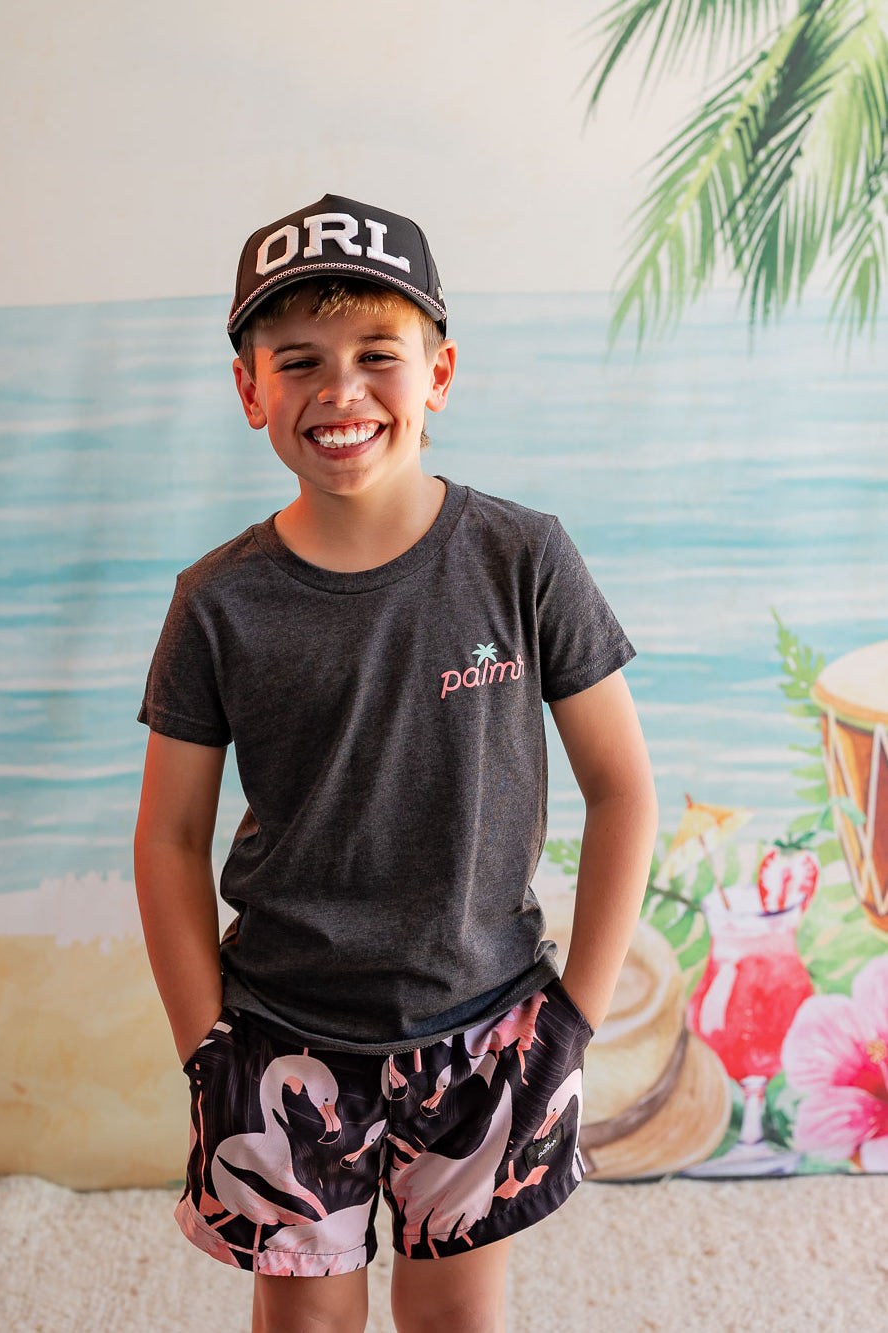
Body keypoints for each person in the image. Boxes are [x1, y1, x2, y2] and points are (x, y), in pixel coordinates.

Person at [134, 193, 658, 1333]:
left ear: (440, 372)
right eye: (298, 360)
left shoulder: (523, 557)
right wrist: (204, 1047)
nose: (341, 391)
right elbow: (169, 836)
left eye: (378, 354)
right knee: (308, 1323)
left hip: (488, 1028)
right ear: (248, 389)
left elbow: (621, 790)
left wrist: (573, 1014)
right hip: (278, 1032)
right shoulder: (216, 602)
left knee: (455, 1319)